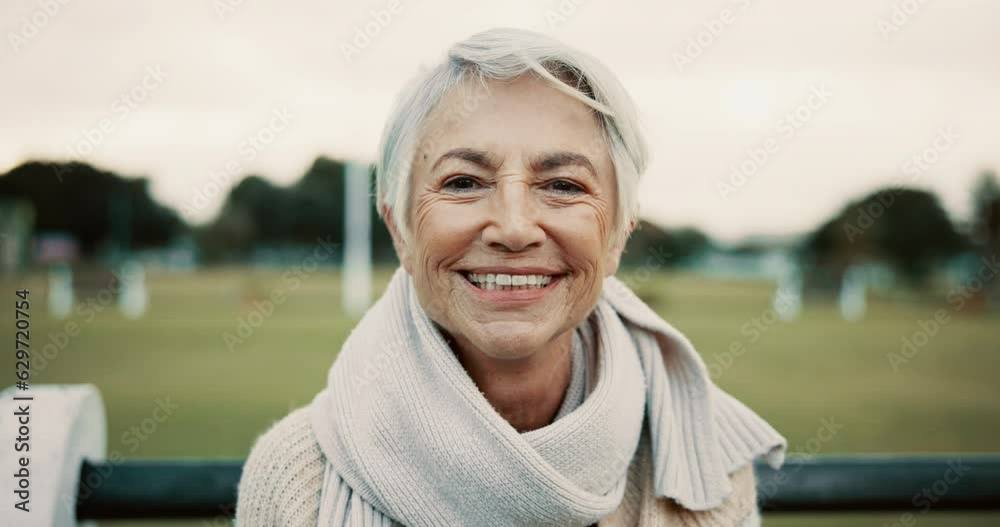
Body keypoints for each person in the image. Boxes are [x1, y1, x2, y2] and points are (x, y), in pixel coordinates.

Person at [236, 27, 786, 527]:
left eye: (564, 185)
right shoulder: (297, 481)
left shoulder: (702, 468)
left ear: (618, 235)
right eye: (462, 182)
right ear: (399, 229)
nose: (514, 227)